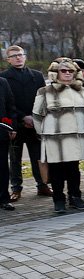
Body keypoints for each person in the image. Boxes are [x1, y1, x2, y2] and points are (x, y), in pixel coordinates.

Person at [31, 57, 84, 214]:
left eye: (70, 71)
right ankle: (58, 200)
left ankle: (75, 198)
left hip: (76, 138)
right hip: (54, 139)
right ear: (55, 73)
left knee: (74, 170)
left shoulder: (81, 91)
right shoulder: (45, 91)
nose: (67, 73)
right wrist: (44, 134)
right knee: (56, 172)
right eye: (63, 70)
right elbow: (37, 116)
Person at [1, 45, 51, 201]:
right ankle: (16, 188)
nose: (18, 57)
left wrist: (35, 117)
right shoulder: (4, 78)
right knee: (15, 158)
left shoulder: (36, 76)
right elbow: (8, 103)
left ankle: (42, 185)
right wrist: (23, 117)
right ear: (8, 59)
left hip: (35, 123)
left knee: (38, 156)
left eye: (20, 54)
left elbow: (43, 98)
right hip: (16, 124)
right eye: (14, 55)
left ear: (25, 56)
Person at [0, 76, 16, 211]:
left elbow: (10, 106)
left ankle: (4, 199)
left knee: (2, 167)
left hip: (1, 133)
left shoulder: (3, 82)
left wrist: (10, 126)